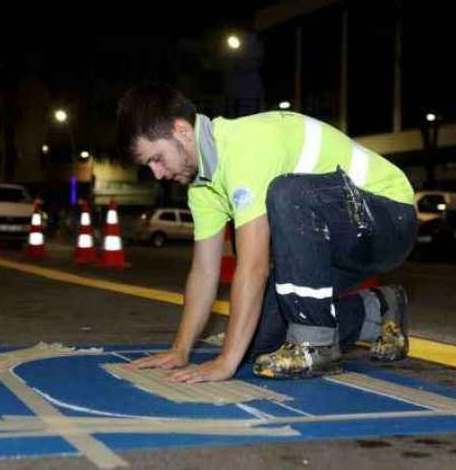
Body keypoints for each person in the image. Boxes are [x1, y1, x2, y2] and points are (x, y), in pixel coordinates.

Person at [117, 82, 417, 382]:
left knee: (286, 193)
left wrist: (225, 363)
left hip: (388, 217)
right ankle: (378, 309)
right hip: (333, 243)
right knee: (259, 341)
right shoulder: (202, 187)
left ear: (181, 131)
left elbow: (254, 266)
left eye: (156, 158)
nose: (157, 174)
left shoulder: (246, 145)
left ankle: (314, 343)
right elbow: (204, 271)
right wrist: (180, 349)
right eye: (149, 166)